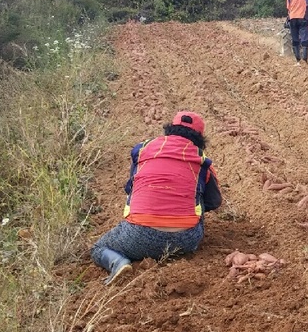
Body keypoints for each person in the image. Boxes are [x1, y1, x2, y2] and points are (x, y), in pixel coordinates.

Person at [91, 111, 222, 285]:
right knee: (198, 196)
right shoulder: (203, 161)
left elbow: (130, 187)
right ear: (200, 138)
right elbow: (214, 202)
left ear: (170, 130)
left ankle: (118, 261)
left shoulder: (142, 150)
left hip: (137, 237)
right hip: (186, 242)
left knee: (98, 248)